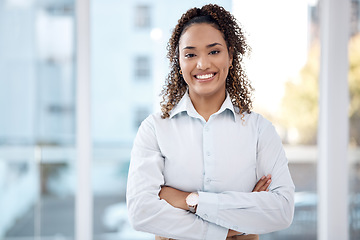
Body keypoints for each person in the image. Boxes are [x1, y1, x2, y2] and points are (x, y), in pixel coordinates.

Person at [126, 4, 295, 240]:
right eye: (190, 54)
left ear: (231, 55)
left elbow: (282, 210)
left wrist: (189, 200)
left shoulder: (259, 130)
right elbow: (141, 212)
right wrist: (237, 221)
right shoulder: (154, 129)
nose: (202, 64)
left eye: (214, 51)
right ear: (179, 61)